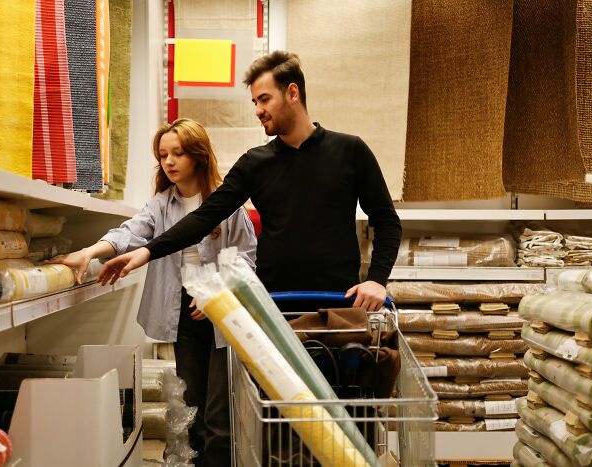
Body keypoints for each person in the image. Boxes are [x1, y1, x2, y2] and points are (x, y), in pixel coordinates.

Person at [99, 50, 401, 311]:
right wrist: (146, 251)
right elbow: (205, 217)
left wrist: (376, 279)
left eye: (265, 99)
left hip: (339, 302)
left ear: (293, 93)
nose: (258, 110)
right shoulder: (255, 163)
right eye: (255, 101)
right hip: (272, 305)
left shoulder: (350, 151)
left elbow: (386, 220)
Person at [52, 118, 256, 467]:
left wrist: (218, 295)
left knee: (221, 412)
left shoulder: (228, 204)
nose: (169, 162)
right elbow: (129, 233)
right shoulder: (162, 204)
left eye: (178, 153)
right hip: (183, 317)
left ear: (199, 155)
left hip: (223, 315)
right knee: (190, 408)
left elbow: (248, 260)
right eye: (163, 155)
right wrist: (90, 252)